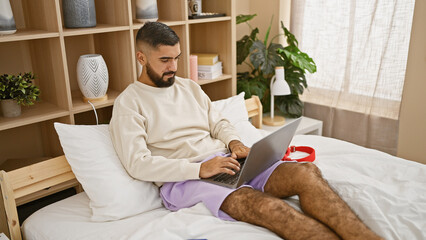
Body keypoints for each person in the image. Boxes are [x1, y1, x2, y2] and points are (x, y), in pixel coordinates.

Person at [109, 22, 383, 240]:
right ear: (141, 58)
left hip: (227, 163)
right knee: (271, 208)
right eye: (165, 60)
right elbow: (138, 164)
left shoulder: (188, 87)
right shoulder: (129, 103)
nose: (173, 68)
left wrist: (234, 143)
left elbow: (218, 123)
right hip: (185, 179)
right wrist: (199, 170)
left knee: (306, 173)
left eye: (177, 58)